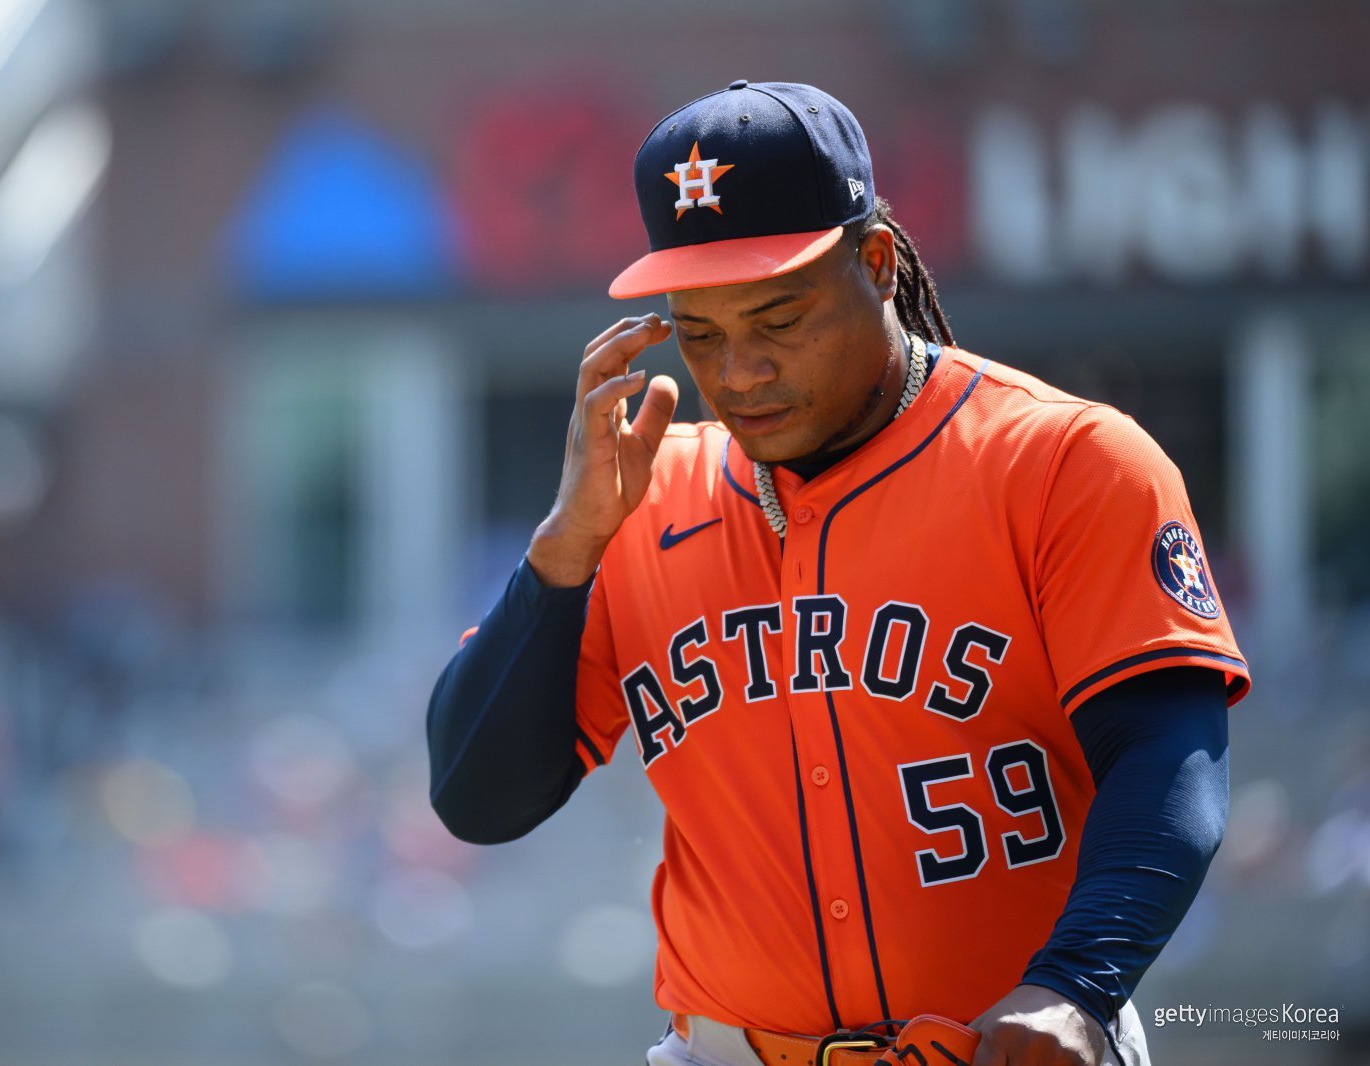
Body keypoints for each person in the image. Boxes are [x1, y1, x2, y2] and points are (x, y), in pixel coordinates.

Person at [427, 80, 1249, 1066]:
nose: (740, 371)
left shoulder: (1060, 462)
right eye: (700, 333)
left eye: (779, 318)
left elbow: (1168, 757)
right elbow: (478, 799)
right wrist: (565, 549)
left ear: (877, 263)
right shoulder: (636, 498)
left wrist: (1079, 983)